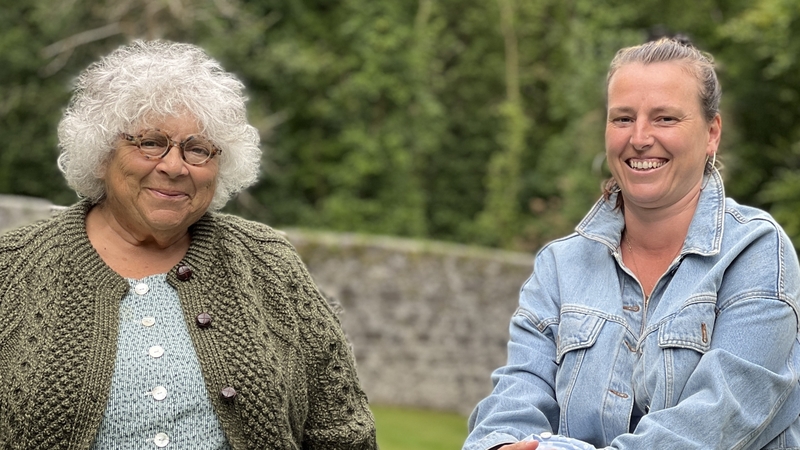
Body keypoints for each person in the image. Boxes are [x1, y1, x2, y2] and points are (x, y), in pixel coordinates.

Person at [0, 40, 377, 449]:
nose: (175, 166)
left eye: (198, 150)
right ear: (102, 152)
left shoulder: (270, 263)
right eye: (150, 142)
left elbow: (344, 431)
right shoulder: (13, 268)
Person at [464, 37, 800, 450]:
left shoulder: (755, 252)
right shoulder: (559, 266)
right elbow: (509, 406)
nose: (639, 138)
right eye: (623, 118)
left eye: (665, 119)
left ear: (712, 133)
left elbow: (717, 422)